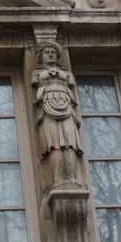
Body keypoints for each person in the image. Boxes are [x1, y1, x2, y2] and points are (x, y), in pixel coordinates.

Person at [32, 41, 82, 189]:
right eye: (47, 52)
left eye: (53, 52)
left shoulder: (67, 74)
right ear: (40, 56)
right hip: (47, 107)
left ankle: (71, 178)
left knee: (69, 143)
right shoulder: (35, 74)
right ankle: (58, 179)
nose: (51, 54)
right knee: (53, 145)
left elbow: (71, 86)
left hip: (66, 107)